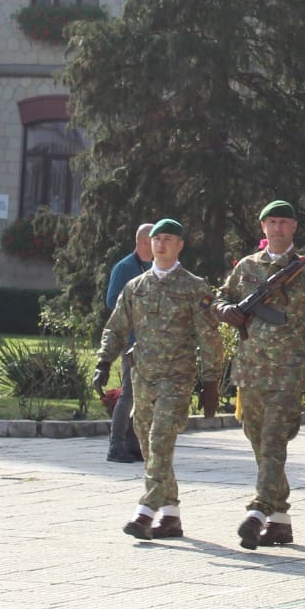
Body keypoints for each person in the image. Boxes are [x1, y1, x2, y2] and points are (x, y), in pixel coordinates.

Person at [217, 201, 305, 550]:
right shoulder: (246, 268)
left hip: (288, 372)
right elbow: (222, 296)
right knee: (258, 442)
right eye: (272, 222)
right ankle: (280, 521)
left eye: (284, 222)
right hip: (251, 371)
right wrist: (225, 309)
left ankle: (258, 511)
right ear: (263, 227)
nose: (278, 228)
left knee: (273, 443)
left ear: (294, 227)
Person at [92, 219, 215, 540]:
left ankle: (146, 510)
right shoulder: (137, 287)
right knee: (148, 444)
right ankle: (171, 515)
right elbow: (116, 327)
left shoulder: (194, 288)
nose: (160, 244)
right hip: (143, 377)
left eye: (168, 239)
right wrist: (104, 361)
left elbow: (210, 337)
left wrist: (212, 381)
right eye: (156, 238)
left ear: (180, 246)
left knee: (160, 441)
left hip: (177, 378)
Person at [104, 222, 154, 463]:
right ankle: (116, 445)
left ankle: (134, 444)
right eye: (155, 240)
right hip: (131, 340)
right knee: (129, 395)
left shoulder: (152, 267)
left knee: (144, 395)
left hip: (151, 341)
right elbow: (113, 300)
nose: (160, 245)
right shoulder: (125, 268)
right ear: (144, 242)